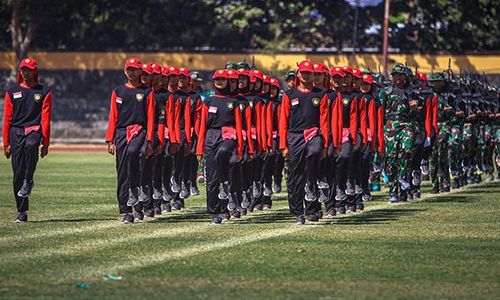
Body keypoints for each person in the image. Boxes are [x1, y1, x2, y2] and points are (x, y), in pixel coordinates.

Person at [279, 60, 329, 224]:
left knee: (312, 161)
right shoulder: (289, 94)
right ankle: (298, 212)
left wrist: (324, 144)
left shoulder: (320, 94)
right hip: (294, 137)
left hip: (313, 134)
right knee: (295, 175)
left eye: (309, 73)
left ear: (313, 75)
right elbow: (283, 121)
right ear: (298, 74)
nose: (306, 75)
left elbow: (324, 121)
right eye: (303, 72)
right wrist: (283, 145)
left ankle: (313, 208)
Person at [3, 57, 52, 222]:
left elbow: (45, 118)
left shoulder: (43, 92)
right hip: (15, 133)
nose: (26, 72)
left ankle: (29, 178)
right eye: (23, 69)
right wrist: (6, 144)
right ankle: (22, 211)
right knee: (17, 174)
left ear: (35, 71)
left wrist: (45, 143)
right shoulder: (11, 92)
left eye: (29, 69)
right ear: (20, 71)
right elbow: (7, 119)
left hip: (33, 130)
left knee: (32, 145)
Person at [105, 57, 154, 224]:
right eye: (129, 69)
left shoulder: (147, 92)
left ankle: (137, 192)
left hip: (140, 131)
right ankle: (127, 210)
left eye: (135, 69)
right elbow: (113, 116)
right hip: (120, 133)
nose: (132, 72)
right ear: (125, 71)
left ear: (141, 71)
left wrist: (149, 140)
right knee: (122, 169)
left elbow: (151, 118)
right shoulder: (118, 91)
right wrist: (110, 139)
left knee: (134, 153)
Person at [196, 69, 244, 224]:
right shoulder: (208, 102)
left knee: (223, 153)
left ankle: (225, 184)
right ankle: (216, 212)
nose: (220, 82)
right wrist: (199, 148)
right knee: (211, 178)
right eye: (218, 79)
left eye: (223, 80)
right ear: (214, 81)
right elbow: (202, 126)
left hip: (228, 136)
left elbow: (239, 126)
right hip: (210, 137)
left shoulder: (234, 102)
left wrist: (241, 149)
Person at [379, 63, 419, 202]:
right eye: (395, 75)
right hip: (390, 126)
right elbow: (380, 112)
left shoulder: (412, 92)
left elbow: (419, 113)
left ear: (405, 76)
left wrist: (415, 108)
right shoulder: (386, 91)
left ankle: (403, 176)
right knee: (391, 159)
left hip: (407, 124)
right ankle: (393, 192)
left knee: (406, 150)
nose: (398, 78)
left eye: (401, 75)